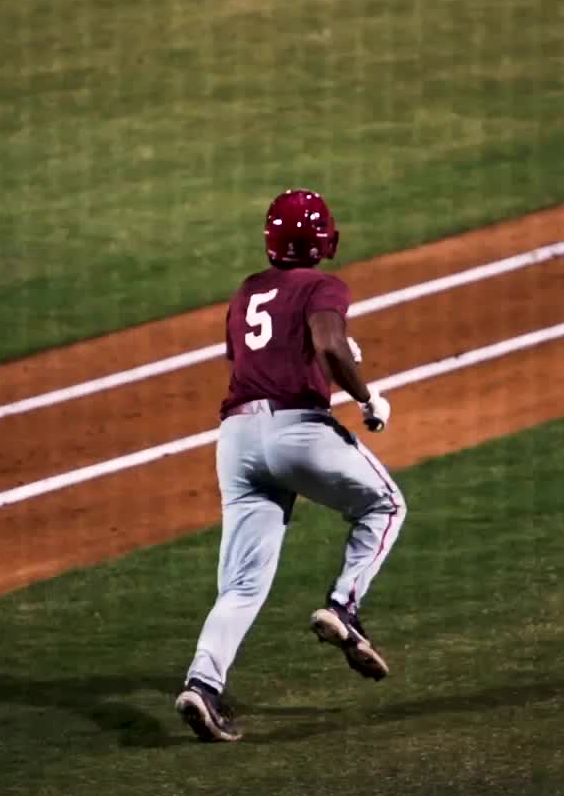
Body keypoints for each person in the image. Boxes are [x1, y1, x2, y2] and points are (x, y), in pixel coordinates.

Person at [173, 188, 405, 743]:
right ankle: (343, 607)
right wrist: (366, 396)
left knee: (241, 585)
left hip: (235, 442)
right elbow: (326, 344)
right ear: (322, 238)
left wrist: (334, 350)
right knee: (385, 504)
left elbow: (256, 355)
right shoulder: (324, 285)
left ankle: (201, 685)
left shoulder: (245, 292)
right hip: (296, 432)